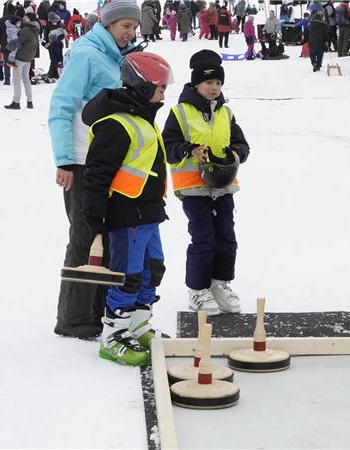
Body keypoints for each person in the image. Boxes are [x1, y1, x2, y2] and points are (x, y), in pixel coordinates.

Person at [48, 0, 142, 339]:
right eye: (125, 26)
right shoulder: (87, 54)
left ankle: (99, 310)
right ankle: (74, 319)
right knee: (84, 236)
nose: (131, 32)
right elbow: (61, 106)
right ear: (108, 24)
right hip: (81, 161)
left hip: (108, 161)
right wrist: (64, 160)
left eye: (134, 27)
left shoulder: (121, 56)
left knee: (107, 235)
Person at [81, 51, 173, 366]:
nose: (163, 95)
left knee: (152, 269)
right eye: (160, 88)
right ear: (142, 86)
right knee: (128, 276)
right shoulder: (116, 124)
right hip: (126, 216)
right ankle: (114, 334)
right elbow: (96, 174)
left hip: (148, 214)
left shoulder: (142, 117)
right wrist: (96, 218)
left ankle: (138, 324)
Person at [162, 50, 250, 316]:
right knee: (203, 239)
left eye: (218, 83)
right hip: (193, 187)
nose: (214, 88)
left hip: (223, 186)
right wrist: (189, 149)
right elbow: (168, 147)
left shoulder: (226, 112)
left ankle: (219, 284)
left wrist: (236, 154)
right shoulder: (180, 112)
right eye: (209, 82)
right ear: (196, 83)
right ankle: (198, 289)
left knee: (227, 238)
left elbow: (242, 144)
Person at [3, 12, 39, 110]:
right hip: (28, 58)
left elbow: (16, 42)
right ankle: (30, 101)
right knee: (26, 79)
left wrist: (7, 49)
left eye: (26, 17)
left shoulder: (26, 30)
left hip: (20, 57)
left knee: (17, 80)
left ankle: (16, 102)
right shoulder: (35, 29)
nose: (24, 18)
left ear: (30, 19)